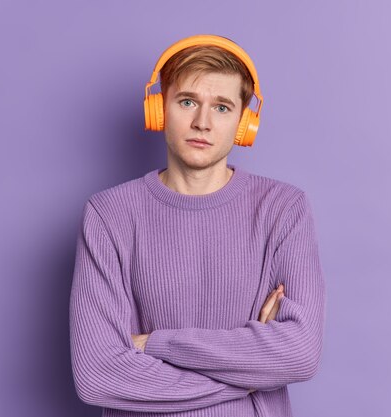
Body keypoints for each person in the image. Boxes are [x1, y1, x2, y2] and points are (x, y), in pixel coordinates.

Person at [69, 34, 326, 417]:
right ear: (158, 110)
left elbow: (300, 353)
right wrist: (251, 372)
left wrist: (155, 344)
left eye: (222, 107)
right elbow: (98, 374)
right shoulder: (109, 215)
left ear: (244, 122)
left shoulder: (282, 209)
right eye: (187, 101)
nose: (202, 122)